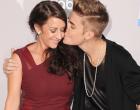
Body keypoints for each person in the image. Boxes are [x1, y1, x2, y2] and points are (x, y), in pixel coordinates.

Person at [3, 0, 140, 110]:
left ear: (88, 34)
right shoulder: (73, 51)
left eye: (71, 26)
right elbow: (14, 97)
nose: (63, 32)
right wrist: (11, 64)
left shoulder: (116, 57)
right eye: (67, 23)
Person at [4, 1, 80, 110]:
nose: (59, 36)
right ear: (38, 28)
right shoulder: (20, 58)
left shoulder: (69, 53)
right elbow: (12, 101)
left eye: (62, 30)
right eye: (53, 30)